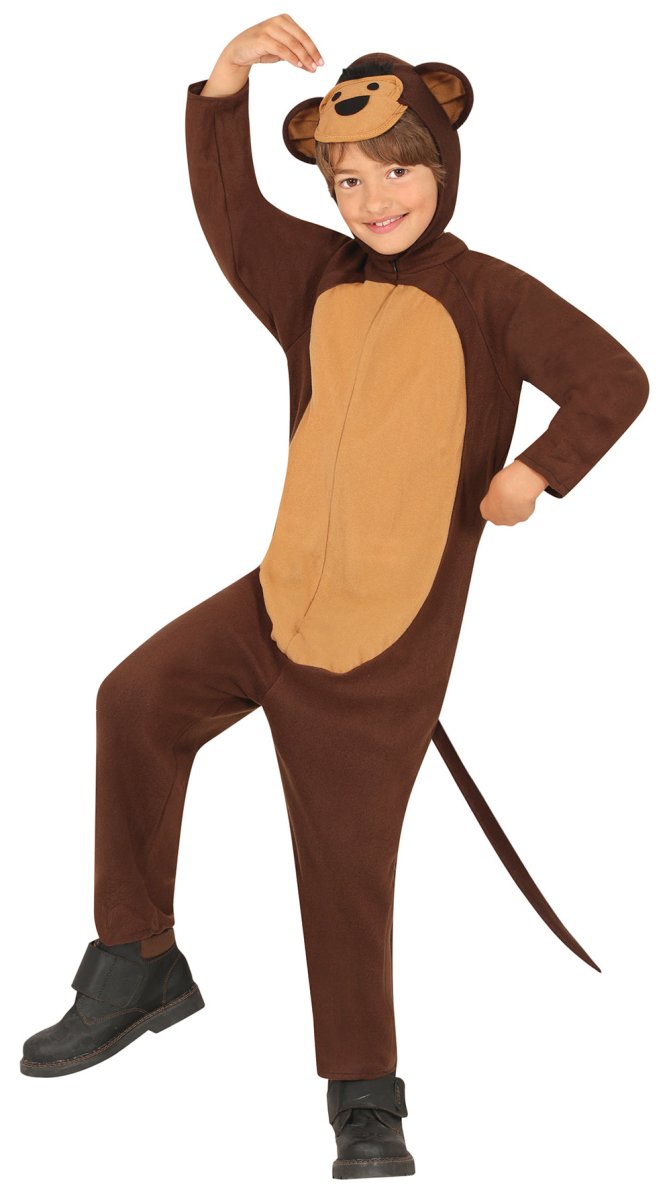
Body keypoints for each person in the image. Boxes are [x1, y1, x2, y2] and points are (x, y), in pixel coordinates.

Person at [20, 15, 649, 1183]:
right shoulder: (314, 278)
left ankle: (365, 1094)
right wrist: (224, 86)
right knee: (135, 700)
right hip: (272, 602)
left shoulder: (491, 296)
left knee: (344, 865)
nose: (373, 200)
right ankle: (136, 958)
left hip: (382, 644)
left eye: (396, 172)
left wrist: (534, 471)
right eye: (347, 180)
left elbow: (613, 378)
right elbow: (231, 215)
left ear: (440, 164)